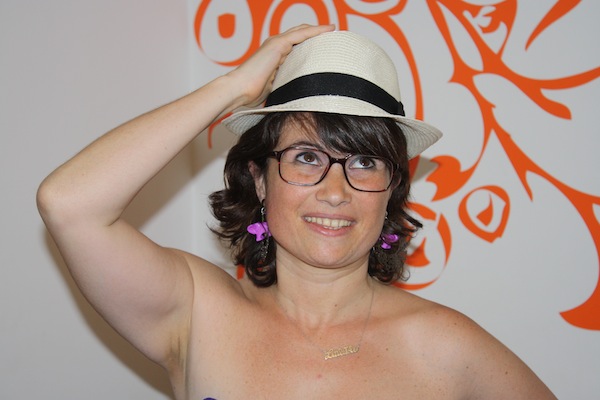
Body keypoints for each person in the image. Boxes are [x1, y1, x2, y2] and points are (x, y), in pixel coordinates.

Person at [37, 24, 556, 399]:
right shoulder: (196, 310)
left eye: (364, 162)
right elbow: (69, 204)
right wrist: (233, 89)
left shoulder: (448, 347)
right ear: (261, 179)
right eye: (307, 157)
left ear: (391, 189)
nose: (335, 191)